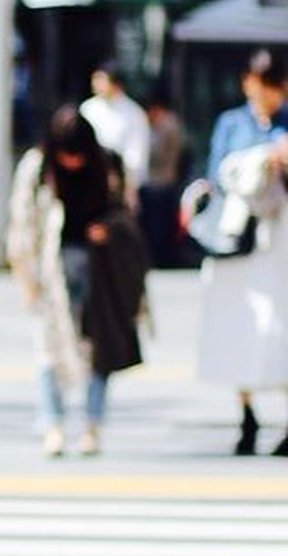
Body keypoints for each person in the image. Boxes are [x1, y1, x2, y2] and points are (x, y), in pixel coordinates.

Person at [8, 106, 149, 458]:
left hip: (101, 272)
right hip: (50, 271)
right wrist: (24, 277)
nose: (72, 161)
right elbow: (21, 226)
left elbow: (128, 216)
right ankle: (52, 424)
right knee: (47, 350)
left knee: (101, 348)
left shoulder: (108, 165)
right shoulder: (37, 168)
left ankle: (92, 425)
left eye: (78, 154)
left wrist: (109, 230)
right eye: (65, 154)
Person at [197, 49, 288, 457]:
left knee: (279, 330)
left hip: (281, 243)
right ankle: (247, 414)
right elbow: (217, 172)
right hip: (239, 241)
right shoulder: (232, 123)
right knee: (240, 327)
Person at [79, 61, 150, 202]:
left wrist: (129, 184)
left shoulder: (133, 113)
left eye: (101, 80)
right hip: (88, 178)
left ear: (116, 84)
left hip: (120, 182)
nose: (96, 84)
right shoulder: (87, 109)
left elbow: (137, 153)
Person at [141, 93, 186, 267]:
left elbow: (159, 154)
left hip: (162, 181)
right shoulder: (166, 124)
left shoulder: (168, 125)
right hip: (159, 181)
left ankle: (163, 257)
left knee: (161, 224)